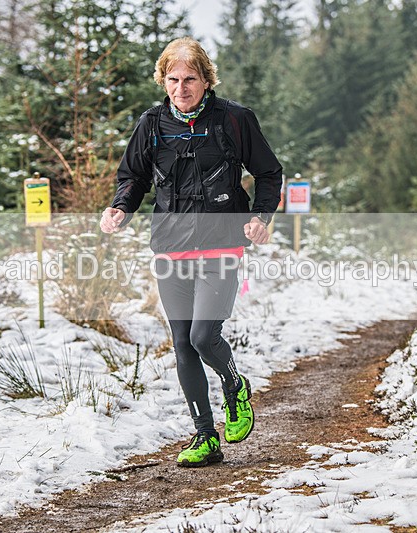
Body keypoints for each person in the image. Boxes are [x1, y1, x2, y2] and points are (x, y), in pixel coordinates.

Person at [100, 37, 282, 467]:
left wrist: (261, 217)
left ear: (206, 80)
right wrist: (121, 207)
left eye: (189, 79)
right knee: (183, 343)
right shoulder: (151, 124)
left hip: (222, 242)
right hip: (171, 246)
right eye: (172, 79)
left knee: (203, 337)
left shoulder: (234, 119)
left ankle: (234, 385)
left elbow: (268, 173)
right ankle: (205, 436)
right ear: (163, 81)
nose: (180, 88)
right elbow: (133, 177)